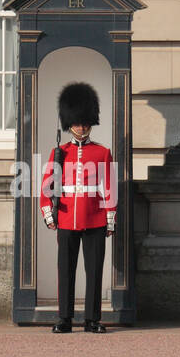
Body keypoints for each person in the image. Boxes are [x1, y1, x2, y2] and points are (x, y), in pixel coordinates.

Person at [39, 82, 115, 333]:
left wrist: (110, 216)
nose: (81, 127)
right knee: (66, 270)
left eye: (85, 122)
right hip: (67, 216)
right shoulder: (59, 152)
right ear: (69, 123)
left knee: (94, 270)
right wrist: (48, 213)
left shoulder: (102, 153)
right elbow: (47, 186)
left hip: (94, 218)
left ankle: (92, 319)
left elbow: (109, 186)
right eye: (77, 122)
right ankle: (65, 318)